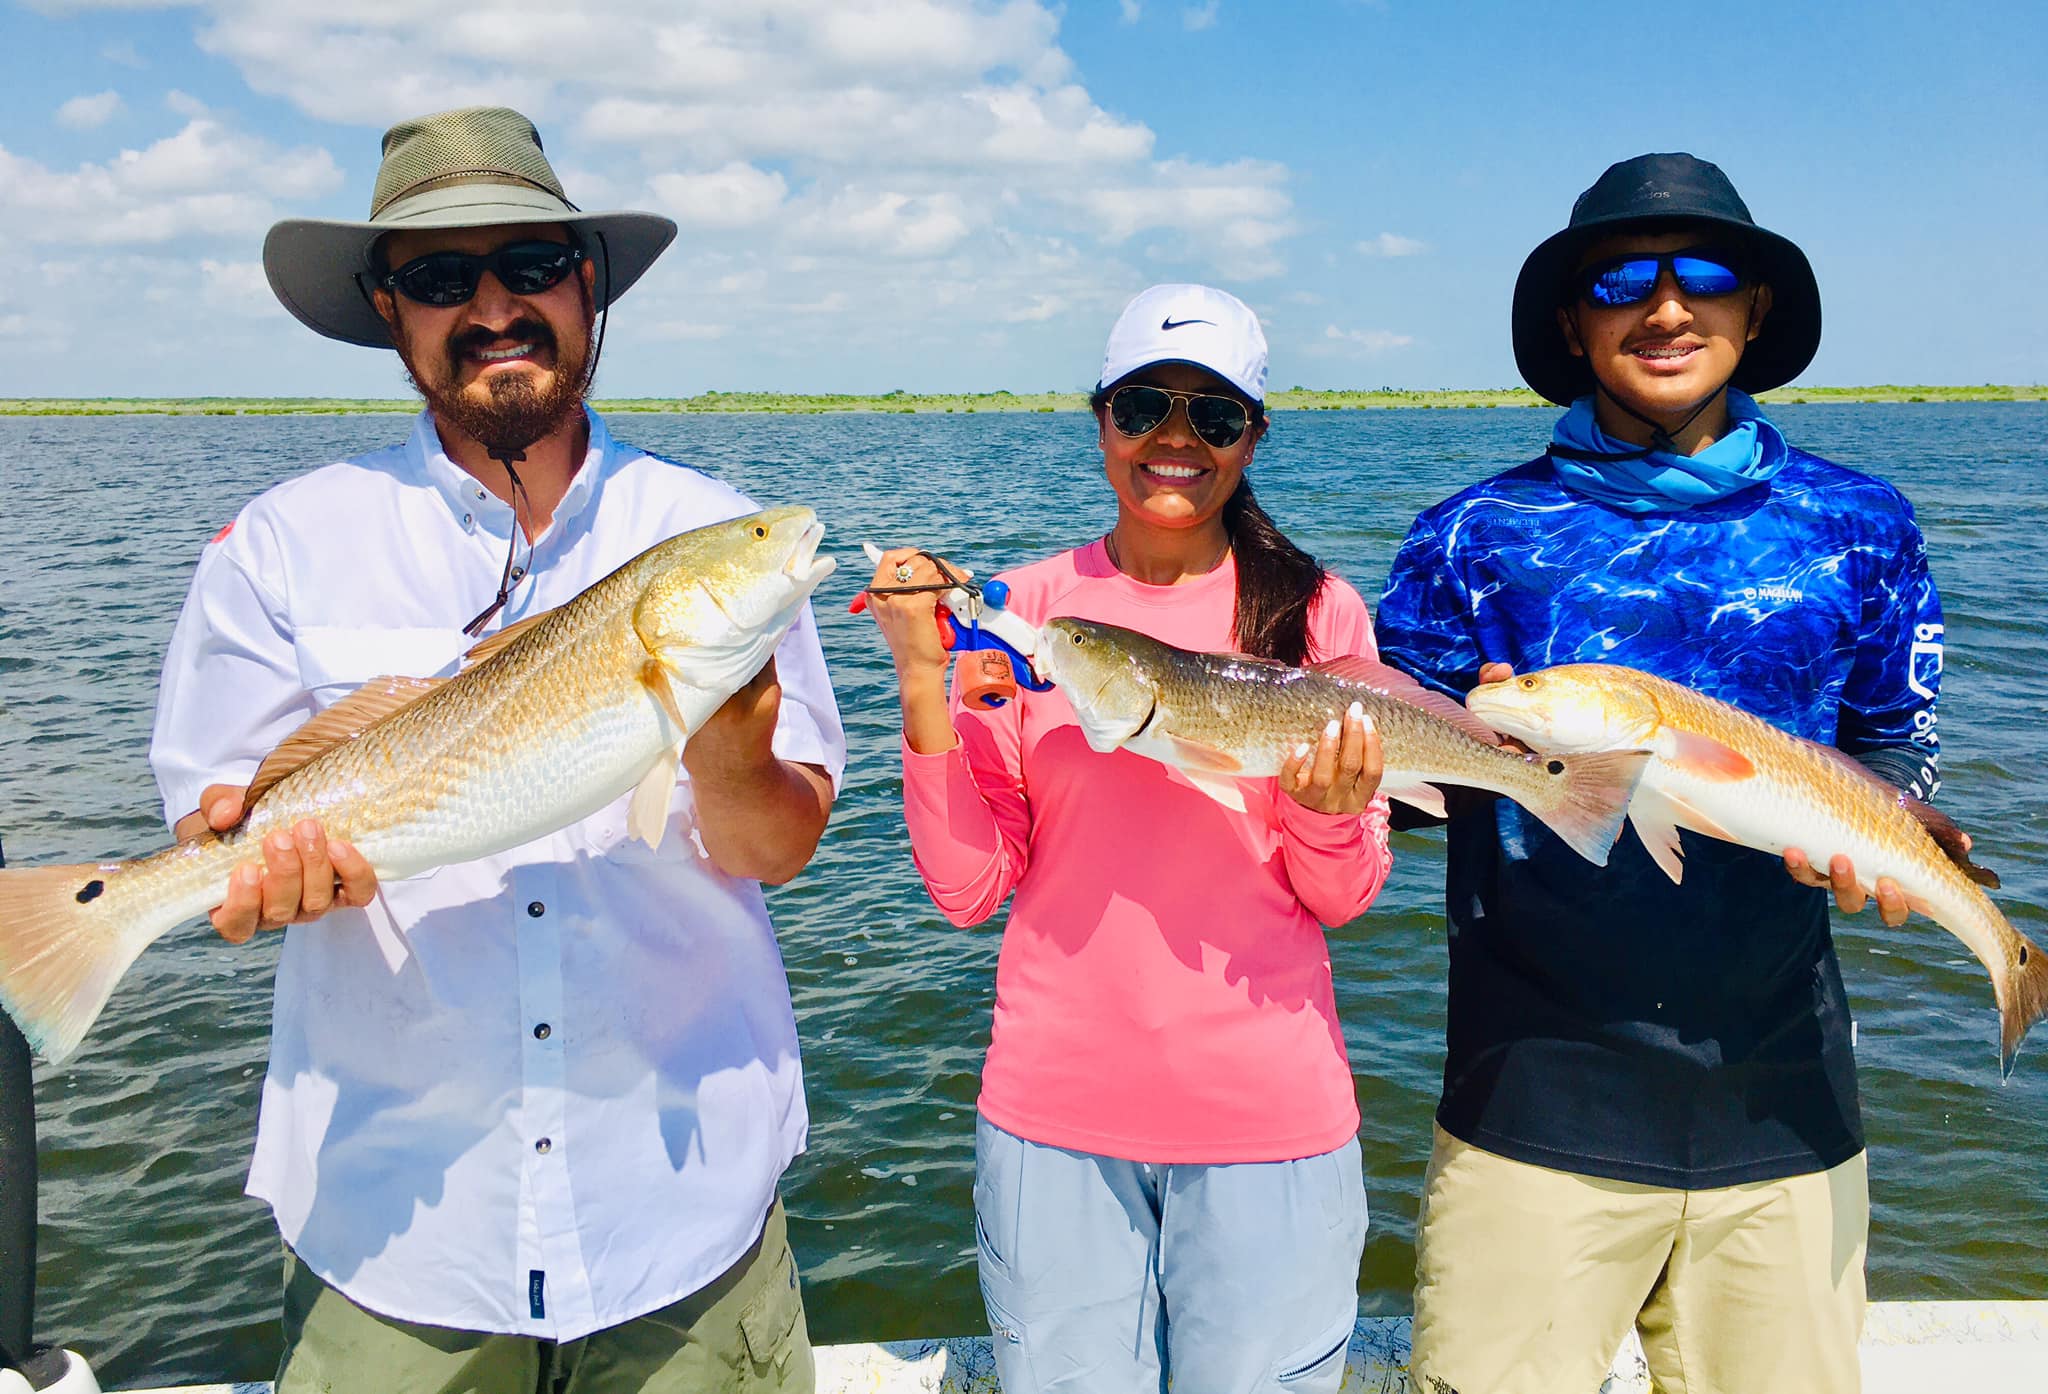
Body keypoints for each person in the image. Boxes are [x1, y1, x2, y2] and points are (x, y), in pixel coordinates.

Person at [148, 106, 844, 1393]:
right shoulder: (281, 542)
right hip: (399, 1237)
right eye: (436, 277)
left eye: (529, 267)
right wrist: (243, 878)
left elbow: (776, 844)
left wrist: (727, 752)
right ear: (385, 306)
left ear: (587, 285)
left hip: (680, 1219)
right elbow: (218, 824)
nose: (492, 307)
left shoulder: (707, 528)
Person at [1375, 152, 1943, 1394]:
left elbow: (1895, 736)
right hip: (1532, 1088)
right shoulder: (1467, 535)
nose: (1666, 307)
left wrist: (1882, 833)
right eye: (1623, 278)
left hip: (1784, 1093)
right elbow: (1402, 781)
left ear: (1755, 312)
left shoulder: (1862, 523)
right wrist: (1338, 784)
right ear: (1573, 327)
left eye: (1707, 277)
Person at [863, 285, 1390, 1394]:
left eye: (1214, 415)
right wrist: (921, 682)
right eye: (1144, 403)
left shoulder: (1317, 614)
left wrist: (1327, 804)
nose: (1174, 439)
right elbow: (968, 890)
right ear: (1099, 417)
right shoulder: (1026, 612)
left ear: (1253, 436)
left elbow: (1340, 897)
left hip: (1270, 1116)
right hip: (1052, 1119)